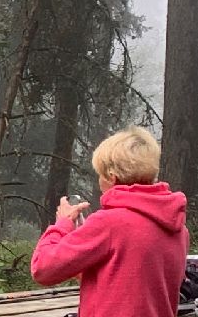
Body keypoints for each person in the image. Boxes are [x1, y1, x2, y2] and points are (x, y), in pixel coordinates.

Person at [30, 127, 189, 317]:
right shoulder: (177, 226)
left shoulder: (109, 223)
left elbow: (42, 269)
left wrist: (62, 225)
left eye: (100, 174)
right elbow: (131, 284)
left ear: (112, 178)